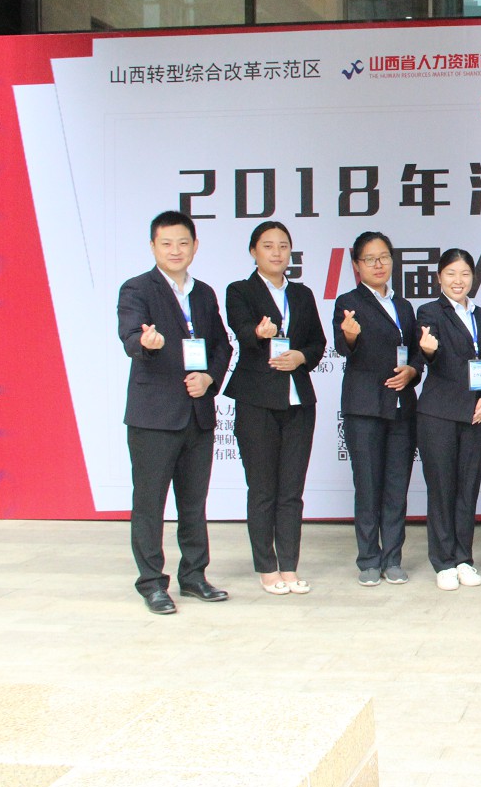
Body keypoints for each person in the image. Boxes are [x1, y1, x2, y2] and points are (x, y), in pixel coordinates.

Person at [116, 209, 232, 615]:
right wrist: (145, 343)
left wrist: (209, 378)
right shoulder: (137, 289)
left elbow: (221, 346)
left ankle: (194, 575)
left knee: (193, 503)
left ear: (195, 246)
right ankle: (151, 583)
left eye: (183, 243)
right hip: (154, 416)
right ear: (153, 247)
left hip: (197, 413)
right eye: (166, 243)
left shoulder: (204, 294)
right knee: (150, 504)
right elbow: (130, 335)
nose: (175, 250)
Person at [224, 221, 327, 596]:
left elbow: (317, 342)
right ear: (254, 251)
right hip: (257, 400)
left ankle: (289, 565)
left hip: (298, 401)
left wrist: (301, 356)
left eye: (283, 245)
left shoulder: (302, 294)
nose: (277, 252)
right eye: (268, 246)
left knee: (291, 491)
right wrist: (258, 333)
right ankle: (266, 567)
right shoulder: (240, 290)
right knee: (263, 488)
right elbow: (241, 329)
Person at [333, 231, 423, 587]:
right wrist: (350, 335)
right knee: (368, 486)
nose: (378, 264)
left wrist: (412, 371)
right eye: (369, 259)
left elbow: (416, 352)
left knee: (397, 486)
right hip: (365, 408)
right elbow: (344, 347)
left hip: (401, 407)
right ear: (357, 265)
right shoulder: (348, 302)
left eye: (383, 256)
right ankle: (369, 559)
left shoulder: (404, 306)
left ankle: (393, 558)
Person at [416, 249, 481, 592]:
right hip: (439, 414)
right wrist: (428, 349)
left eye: (464, 274)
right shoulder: (430, 312)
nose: (458, 280)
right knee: (442, 488)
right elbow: (430, 355)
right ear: (439, 278)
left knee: (468, 488)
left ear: (473, 277)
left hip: (476, 414)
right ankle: (443, 561)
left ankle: (464, 557)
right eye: (451, 273)